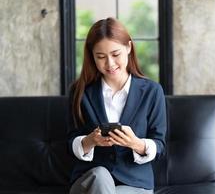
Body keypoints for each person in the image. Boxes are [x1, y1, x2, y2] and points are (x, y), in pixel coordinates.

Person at [68, 17, 167, 194]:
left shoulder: (152, 91)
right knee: (100, 176)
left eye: (115, 54)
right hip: (89, 181)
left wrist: (136, 144)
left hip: (135, 185)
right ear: (92, 56)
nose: (110, 64)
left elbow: (159, 145)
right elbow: (70, 142)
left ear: (128, 48)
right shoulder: (80, 92)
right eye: (101, 57)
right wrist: (90, 141)